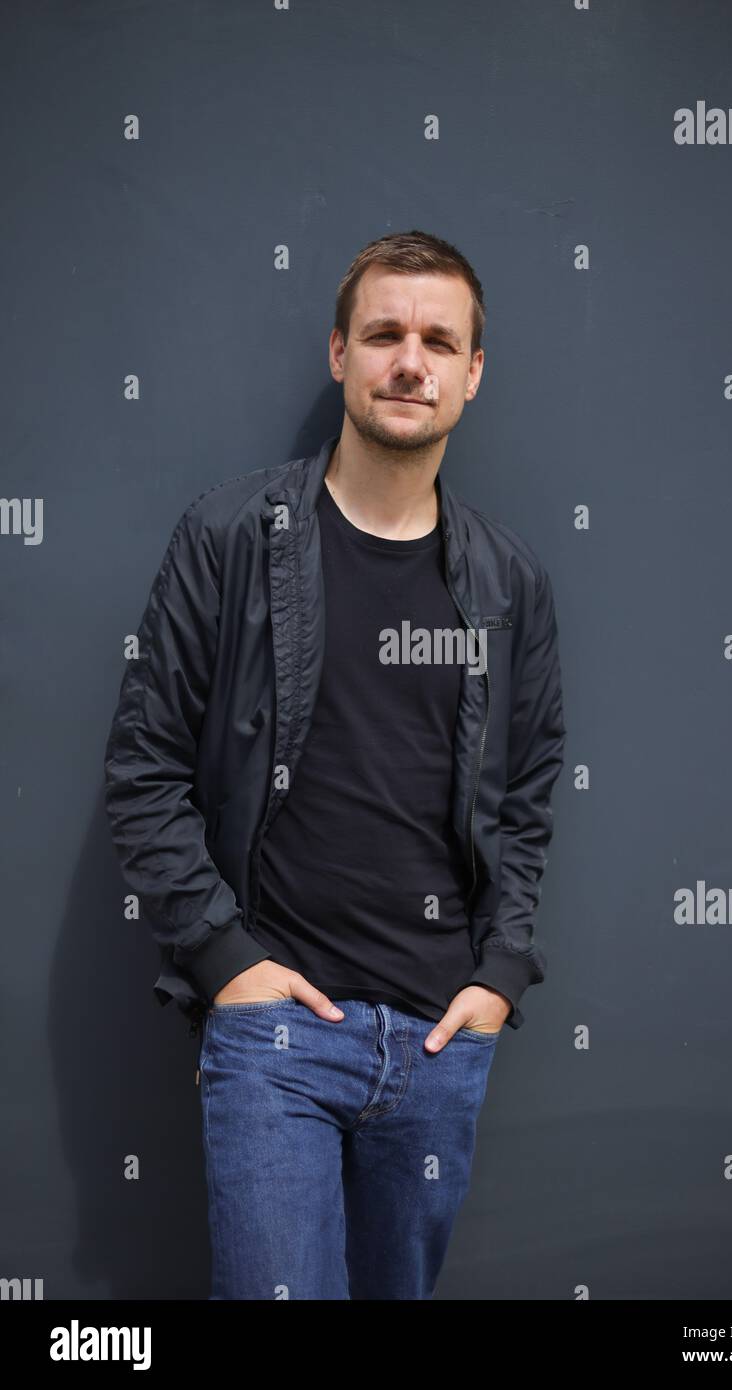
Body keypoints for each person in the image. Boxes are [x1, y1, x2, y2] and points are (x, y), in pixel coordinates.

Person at [103, 228, 567, 1299]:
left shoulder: (509, 583)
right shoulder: (230, 537)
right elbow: (144, 767)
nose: (411, 360)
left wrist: (497, 979)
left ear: (472, 374)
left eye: (438, 341)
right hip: (277, 1038)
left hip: (441, 1039)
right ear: (338, 355)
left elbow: (530, 795)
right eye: (385, 334)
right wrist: (227, 961)